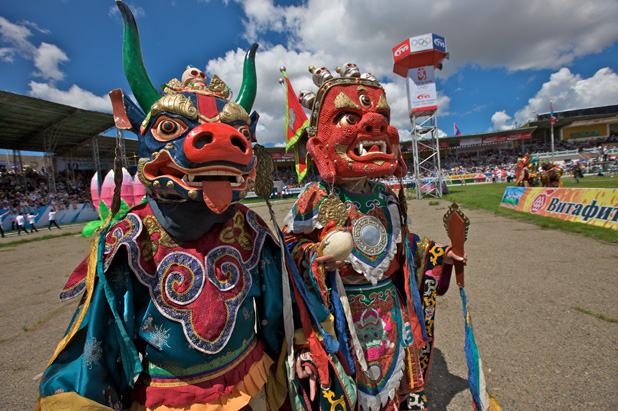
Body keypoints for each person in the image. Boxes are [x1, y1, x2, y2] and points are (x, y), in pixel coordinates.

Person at [38, 3, 288, 410]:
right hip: (166, 399)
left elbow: (277, 313)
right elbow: (97, 343)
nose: (220, 143)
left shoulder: (251, 227)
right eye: (170, 128)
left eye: (237, 133)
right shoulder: (126, 238)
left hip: (251, 382)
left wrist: (299, 351)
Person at [282, 63, 466, 410]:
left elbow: (406, 246)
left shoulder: (387, 197)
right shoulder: (315, 197)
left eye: (381, 115)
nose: (375, 124)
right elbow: (288, 251)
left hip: (389, 311)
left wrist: (441, 255)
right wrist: (313, 257)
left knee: (393, 391)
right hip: (342, 314)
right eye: (349, 118)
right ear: (318, 139)